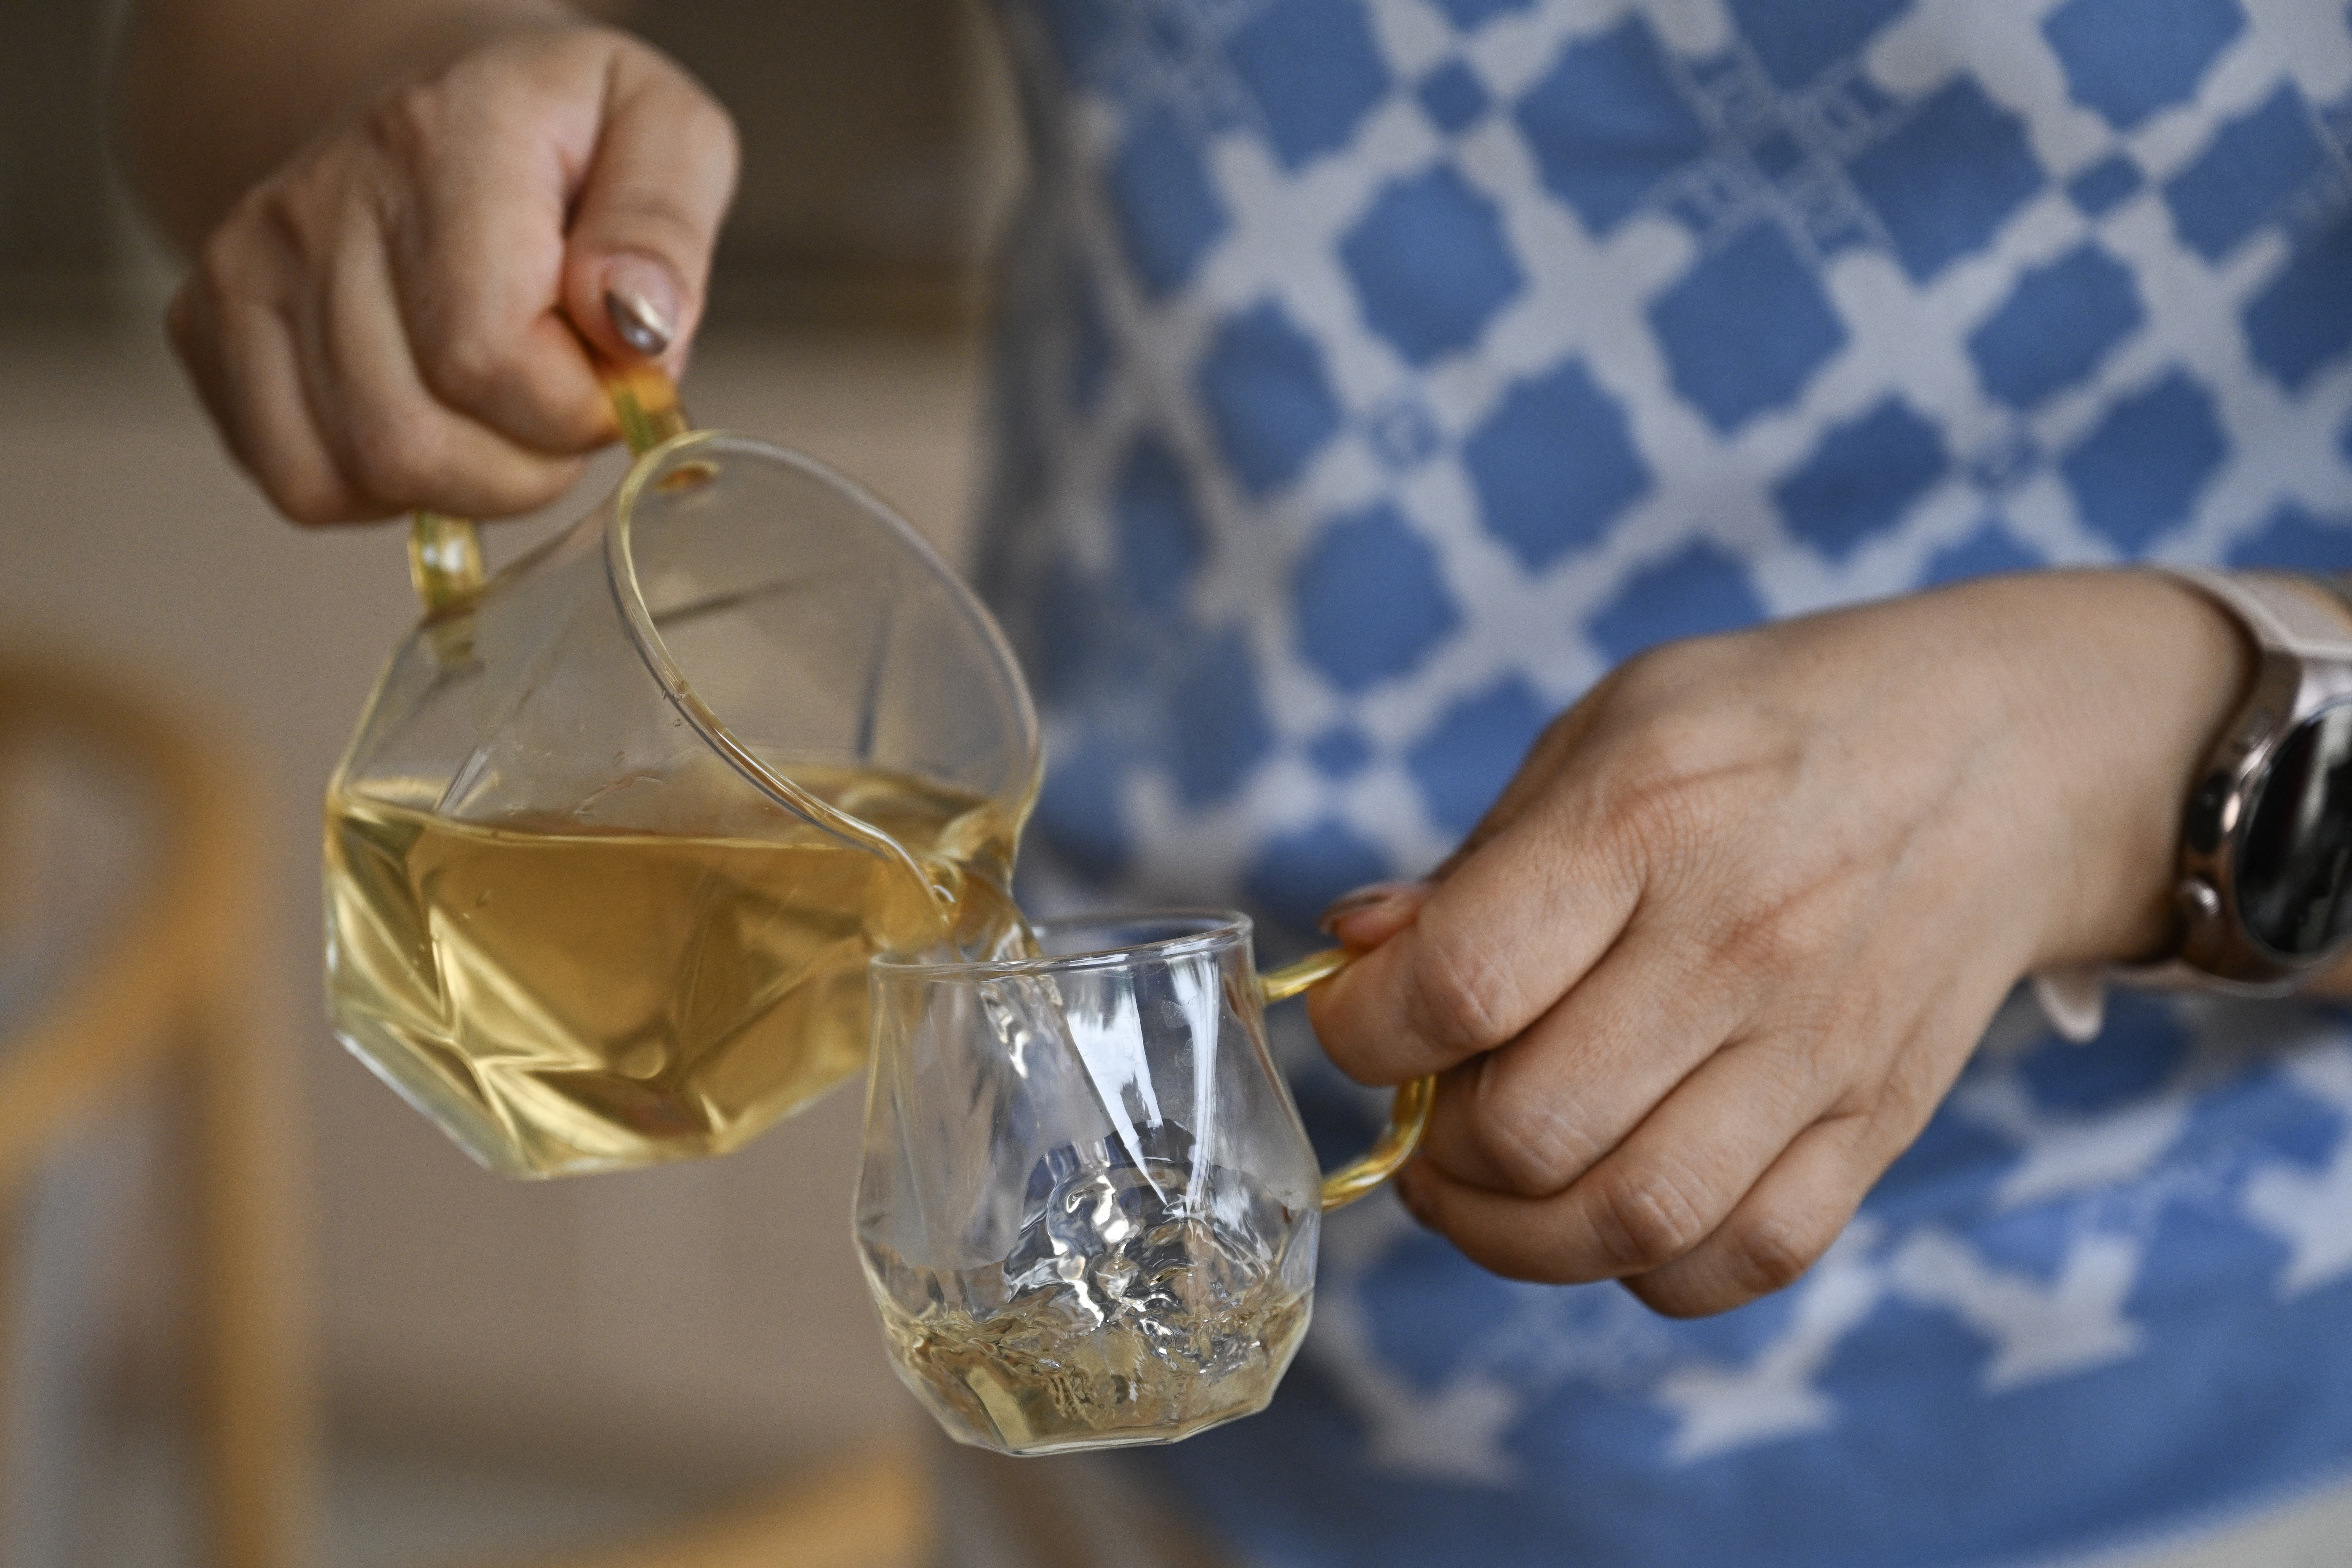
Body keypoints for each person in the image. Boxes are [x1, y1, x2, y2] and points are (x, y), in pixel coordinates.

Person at [115, 1, 2352, 1563]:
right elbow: (229, 34)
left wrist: (2141, 757)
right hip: (1102, 1396)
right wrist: (408, 99)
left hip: (2152, 1445)